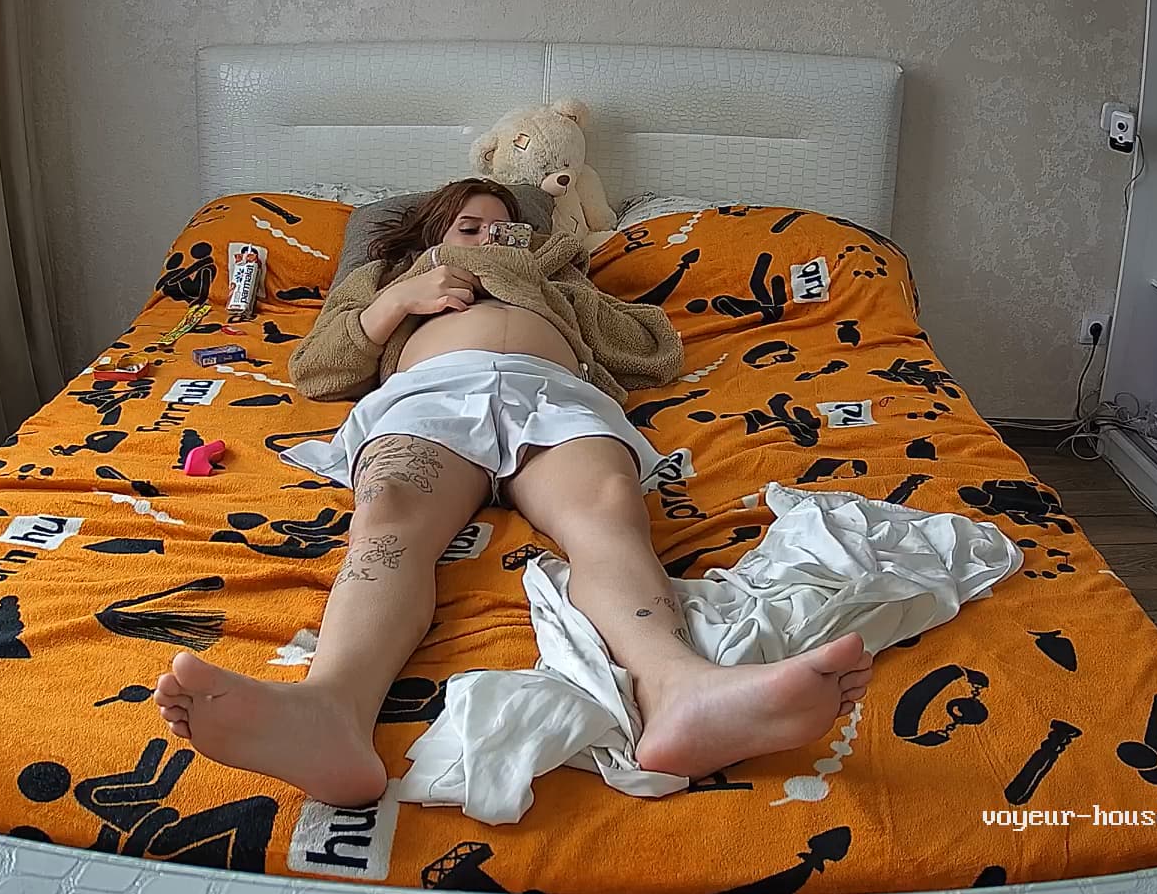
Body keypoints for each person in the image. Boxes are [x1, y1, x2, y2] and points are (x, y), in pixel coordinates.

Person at [154, 178, 872, 806]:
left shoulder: (554, 276)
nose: (487, 239)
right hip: (430, 394)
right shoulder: (390, 275)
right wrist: (399, 299)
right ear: (434, 232)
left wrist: (553, 272)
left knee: (609, 511)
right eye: (468, 227)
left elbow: (652, 353)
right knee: (389, 515)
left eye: (503, 228)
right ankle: (329, 709)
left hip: (552, 391)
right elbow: (318, 370)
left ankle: (682, 687)